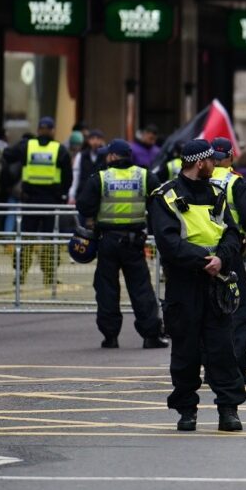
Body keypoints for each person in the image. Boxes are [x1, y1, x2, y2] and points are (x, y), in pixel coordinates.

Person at [147, 139, 246, 432]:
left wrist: (222, 259)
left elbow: (232, 233)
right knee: (185, 349)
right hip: (184, 283)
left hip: (216, 281)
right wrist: (205, 260)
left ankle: (228, 410)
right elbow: (169, 243)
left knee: (222, 349)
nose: (215, 164)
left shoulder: (217, 192)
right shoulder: (165, 196)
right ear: (200, 163)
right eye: (211, 161)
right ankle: (186, 410)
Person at [76, 138, 167, 350]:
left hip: (107, 240)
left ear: (113, 156)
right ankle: (150, 336)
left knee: (107, 289)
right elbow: (160, 202)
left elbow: (84, 206)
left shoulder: (101, 177)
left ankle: (110, 337)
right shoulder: (144, 176)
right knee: (141, 289)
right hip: (134, 242)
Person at [208, 137, 246, 384]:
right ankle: (236, 368)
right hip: (229, 254)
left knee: (206, 312)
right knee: (239, 309)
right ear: (230, 157)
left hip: (198, 255)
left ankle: (209, 368)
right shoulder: (235, 182)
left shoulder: (197, 180)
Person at [4, 116, 72, 286]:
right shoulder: (60, 149)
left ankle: (20, 275)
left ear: (38, 129)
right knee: (51, 238)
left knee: (26, 238)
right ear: (53, 130)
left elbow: (7, 155)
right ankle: (49, 276)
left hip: (30, 200)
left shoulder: (28, 146)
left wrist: (22, 143)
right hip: (51, 201)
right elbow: (68, 178)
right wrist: (61, 194)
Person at [70, 128, 106, 203]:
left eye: (98, 139)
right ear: (88, 140)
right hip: (83, 193)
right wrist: (71, 195)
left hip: (100, 195)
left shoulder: (105, 157)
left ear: (102, 141)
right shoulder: (81, 156)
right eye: (92, 139)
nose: (95, 142)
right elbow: (76, 176)